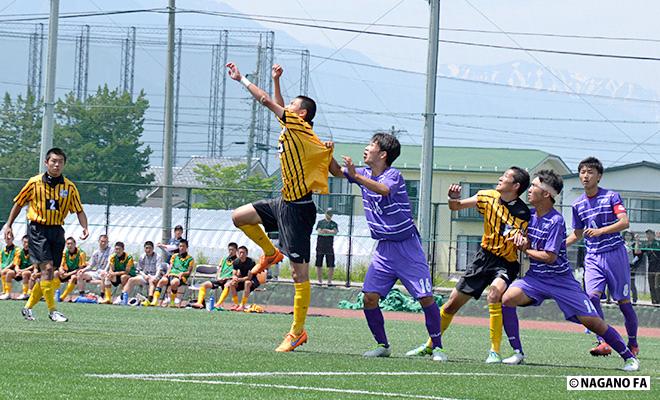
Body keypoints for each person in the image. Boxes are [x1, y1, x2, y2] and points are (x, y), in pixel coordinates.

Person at [226, 61, 332, 352]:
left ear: (302, 114)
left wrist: (242, 79)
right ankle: (271, 253)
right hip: (283, 201)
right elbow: (278, 105)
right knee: (239, 217)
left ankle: (297, 331)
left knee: (300, 275)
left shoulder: (300, 128)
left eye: (293, 106)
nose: (286, 108)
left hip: (298, 210)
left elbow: (266, 102)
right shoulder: (295, 126)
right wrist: (275, 81)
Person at [502, 170, 639, 371]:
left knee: (594, 323)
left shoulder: (556, 221)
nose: (529, 190)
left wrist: (525, 247)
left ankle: (629, 357)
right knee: (507, 298)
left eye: (534, 186)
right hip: (536, 279)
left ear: (546, 194)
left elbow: (550, 257)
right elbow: (511, 229)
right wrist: (516, 236)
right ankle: (517, 352)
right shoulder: (528, 215)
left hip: (561, 281)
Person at [328, 133, 446, 360]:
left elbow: (383, 190)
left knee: (425, 298)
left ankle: (437, 347)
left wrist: (355, 177)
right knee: (369, 297)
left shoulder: (394, 175)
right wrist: (327, 154)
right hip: (384, 249)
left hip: (407, 247)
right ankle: (383, 345)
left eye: (371, 145)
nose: (366, 149)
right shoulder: (362, 173)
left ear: (382, 154)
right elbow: (335, 171)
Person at [407, 167, 531, 363]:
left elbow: (522, 238)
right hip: (482, 258)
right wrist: (451, 198)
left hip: (506, 262)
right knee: (450, 307)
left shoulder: (523, 213)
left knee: (495, 293)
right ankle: (430, 345)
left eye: (506, 177)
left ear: (516, 186)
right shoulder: (487, 196)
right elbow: (455, 207)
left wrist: (521, 239)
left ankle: (495, 351)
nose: (500, 178)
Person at [2, 147, 89, 322]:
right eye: (53, 161)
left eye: (60, 162)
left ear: (64, 164)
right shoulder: (34, 183)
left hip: (57, 230)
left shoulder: (69, 187)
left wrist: (84, 227)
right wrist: (9, 224)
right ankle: (53, 311)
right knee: (48, 269)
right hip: (37, 229)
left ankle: (27, 308)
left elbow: (79, 210)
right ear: (46, 162)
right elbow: (19, 203)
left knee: (51, 274)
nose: (57, 165)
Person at [565, 157, 639, 356]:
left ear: (599, 176)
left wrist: (601, 232)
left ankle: (633, 343)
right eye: (582, 172)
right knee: (591, 297)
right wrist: (556, 247)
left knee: (623, 302)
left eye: (590, 172)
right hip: (593, 257)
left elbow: (624, 223)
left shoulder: (611, 197)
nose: (585, 175)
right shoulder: (577, 204)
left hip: (615, 254)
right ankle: (603, 341)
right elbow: (577, 233)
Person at [191, 242, 238, 309]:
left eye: (232, 250)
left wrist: (227, 278)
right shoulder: (224, 259)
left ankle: (218, 304)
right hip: (220, 279)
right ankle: (199, 303)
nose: (230, 251)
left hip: (229, 279)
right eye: (229, 249)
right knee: (203, 285)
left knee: (227, 285)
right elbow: (219, 269)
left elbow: (237, 274)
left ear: (236, 250)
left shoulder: (237, 260)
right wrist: (218, 277)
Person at [150, 239, 194, 307]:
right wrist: (167, 273)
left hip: (180, 277)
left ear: (187, 247)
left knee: (174, 283)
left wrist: (182, 273)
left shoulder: (190, 259)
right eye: (180, 246)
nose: (181, 248)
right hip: (171, 275)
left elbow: (189, 272)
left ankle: (172, 301)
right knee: (162, 281)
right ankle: (155, 300)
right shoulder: (174, 256)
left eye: (183, 246)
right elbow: (170, 266)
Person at [126, 241, 164, 305]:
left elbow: (159, 269)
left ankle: (149, 299)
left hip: (155, 276)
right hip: (145, 276)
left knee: (151, 280)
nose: (148, 250)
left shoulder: (158, 256)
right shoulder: (142, 257)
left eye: (150, 248)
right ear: (144, 248)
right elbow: (138, 270)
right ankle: (123, 298)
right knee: (131, 280)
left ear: (153, 249)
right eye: (146, 248)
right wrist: (144, 276)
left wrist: (155, 277)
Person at [225, 246, 260, 312]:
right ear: (237, 253)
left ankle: (242, 305)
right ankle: (236, 304)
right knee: (231, 283)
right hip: (241, 280)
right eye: (240, 252)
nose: (241, 254)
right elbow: (234, 274)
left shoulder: (251, 262)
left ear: (246, 253)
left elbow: (249, 277)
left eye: (243, 253)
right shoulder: (236, 261)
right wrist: (235, 277)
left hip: (252, 281)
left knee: (247, 283)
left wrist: (239, 279)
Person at [0, 235, 34, 300]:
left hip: (29, 271)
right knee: (9, 273)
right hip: (20, 271)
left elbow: (33, 266)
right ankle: (7, 293)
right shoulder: (20, 252)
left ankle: (25, 293)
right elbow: (16, 263)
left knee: (25, 273)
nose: (26, 244)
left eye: (27, 242)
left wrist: (22, 271)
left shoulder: (33, 253)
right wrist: (18, 270)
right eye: (24, 242)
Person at [54, 237, 87, 302]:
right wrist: (61, 270)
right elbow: (61, 265)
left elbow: (81, 268)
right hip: (67, 272)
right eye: (68, 244)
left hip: (76, 272)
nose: (70, 245)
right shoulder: (65, 253)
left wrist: (67, 274)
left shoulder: (81, 253)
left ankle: (62, 297)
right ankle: (56, 293)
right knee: (55, 273)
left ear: (75, 244)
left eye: (71, 244)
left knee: (73, 277)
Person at [315, 208, 338, 286]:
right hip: (320, 245)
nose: (330, 215)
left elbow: (334, 232)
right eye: (328, 213)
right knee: (319, 263)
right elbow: (319, 231)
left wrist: (327, 231)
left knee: (331, 264)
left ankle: (329, 281)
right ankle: (319, 280)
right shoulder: (320, 222)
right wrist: (328, 231)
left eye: (331, 213)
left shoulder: (334, 223)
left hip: (329, 246)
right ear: (325, 213)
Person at [623, 231, 642, 304]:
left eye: (629, 235)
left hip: (631, 266)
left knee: (631, 283)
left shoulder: (634, 244)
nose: (628, 237)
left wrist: (637, 241)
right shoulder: (622, 244)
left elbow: (637, 252)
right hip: (623, 266)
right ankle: (624, 298)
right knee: (623, 283)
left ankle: (634, 299)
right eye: (626, 235)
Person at [642, 229, 660, 304]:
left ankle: (658, 300)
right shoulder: (646, 244)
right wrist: (637, 241)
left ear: (654, 235)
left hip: (658, 267)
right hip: (650, 267)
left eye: (650, 234)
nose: (648, 236)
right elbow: (638, 252)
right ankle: (654, 301)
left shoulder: (658, 243)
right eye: (647, 234)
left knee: (657, 286)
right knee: (651, 285)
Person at [0, 232, 17, 298]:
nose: (7, 239)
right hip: (3, 268)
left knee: (5, 272)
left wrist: (4, 269)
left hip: (13, 269)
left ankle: (7, 292)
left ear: (12, 238)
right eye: (6, 238)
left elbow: (14, 263)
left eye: (9, 238)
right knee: (2, 271)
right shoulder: (2, 250)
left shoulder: (17, 249)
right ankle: (4, 291)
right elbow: (0, 261)